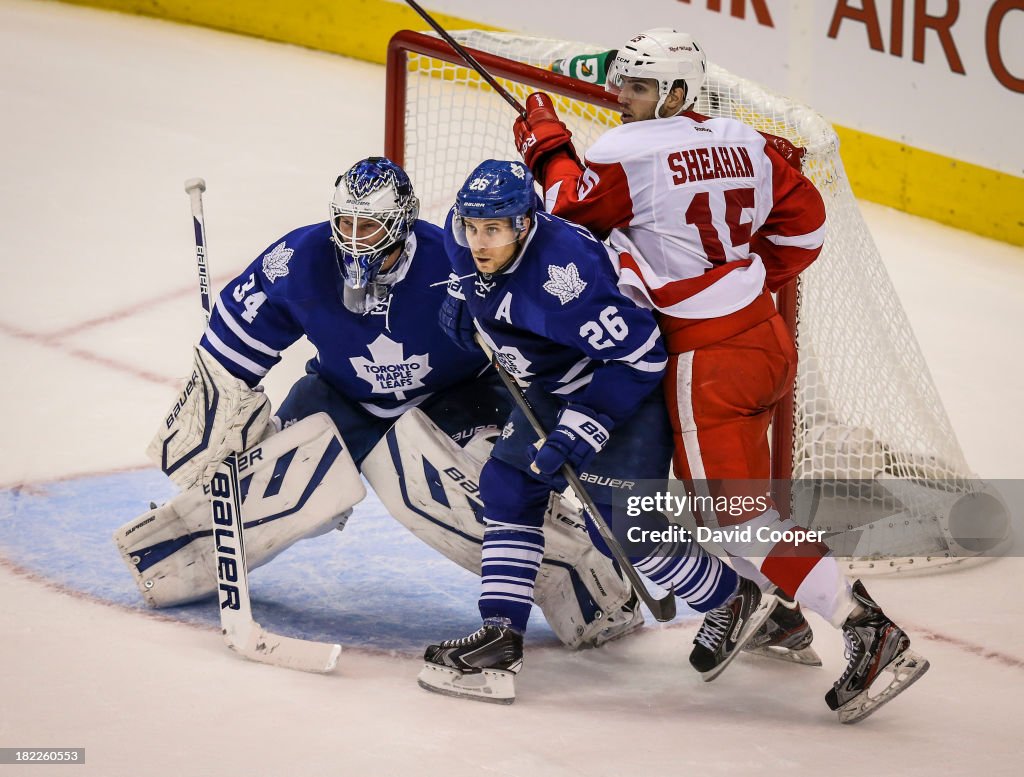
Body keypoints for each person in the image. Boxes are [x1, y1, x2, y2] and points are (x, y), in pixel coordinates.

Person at [510, 28, 930, 722]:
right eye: (624, 84)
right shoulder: (749, 141)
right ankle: (779, 618)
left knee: (735, 515)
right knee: (741, 503)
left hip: (708, 359)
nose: (622, 100)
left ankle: (867, 628)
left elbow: (565, 214)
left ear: (678, 91)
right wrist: (744, 276)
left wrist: (548, 147)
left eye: (639, 88)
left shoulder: (625, 150)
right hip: (761, 336)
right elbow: (806, 227)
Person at [116, 157, 643, 651]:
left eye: (368, 227)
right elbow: (230, 347)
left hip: (457, 398)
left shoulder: (456, 263)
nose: (352, 239)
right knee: (277, 483)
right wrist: (215, 426)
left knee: (467, 501)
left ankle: (588, 586)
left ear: (402, 223)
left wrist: (568, 412)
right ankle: (172, 556)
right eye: (344, 223)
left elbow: (535, 345)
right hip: (342, 397)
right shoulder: (300, 260)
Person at [418, 159, 774, 705]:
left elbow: (641, 357)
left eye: (493, 230)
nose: (477, 241)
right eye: (471, 227)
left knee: (622, 525)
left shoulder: (568, 279)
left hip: (622, 389)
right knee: (508, 487)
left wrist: (581, 430)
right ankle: (501, 637)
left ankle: (732, 599)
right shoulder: (462, 237)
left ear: (525, 224)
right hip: (552, 379)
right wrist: (462, 303)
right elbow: (470, 272)